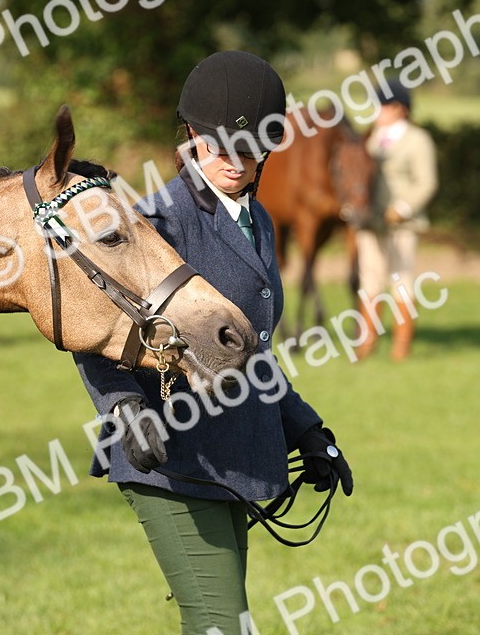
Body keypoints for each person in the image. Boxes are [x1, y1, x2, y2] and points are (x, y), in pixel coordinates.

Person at [73, 51, 354, 635]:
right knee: (220, 624)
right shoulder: (154, 225)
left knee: (229, 623)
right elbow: (90, 330)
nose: (235, 160)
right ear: (193, 138)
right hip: (172, 459)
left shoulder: (260, 222)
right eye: (220, 144)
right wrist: (124, 409)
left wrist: (304, 428)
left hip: (238, 455)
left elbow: (252, 351)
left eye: (251, 148)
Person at [354, 80, 438, 361]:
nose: (377, 111)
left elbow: (426, 182)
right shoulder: (371, 138)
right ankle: (367, 341)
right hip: (371, 221)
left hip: (402, 222)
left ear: (399, 109)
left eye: (383, 106)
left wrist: (403, 207)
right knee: (369, 281)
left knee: (401, 280)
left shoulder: (417, 139)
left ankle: (402, 343)